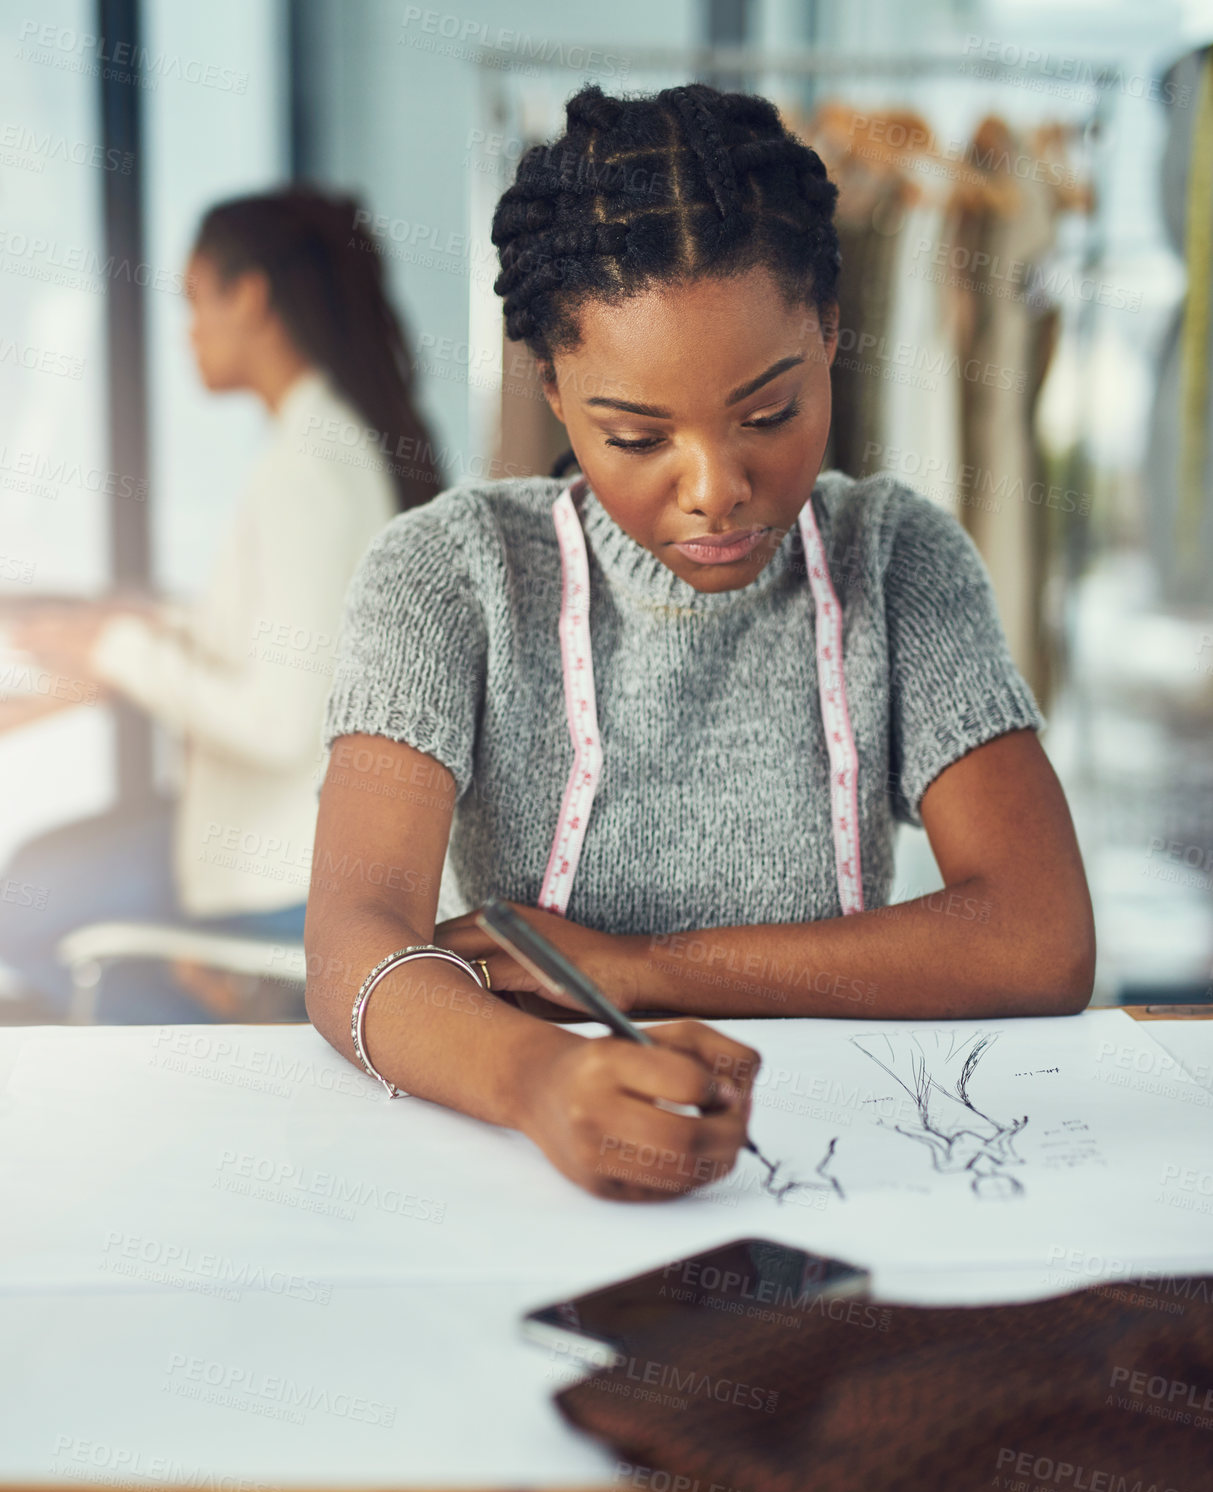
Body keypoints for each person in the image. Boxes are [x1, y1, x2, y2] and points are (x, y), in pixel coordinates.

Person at [304, 83, 1096, 1202]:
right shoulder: (452, 577)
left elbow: (1038, 935)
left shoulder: (895, 561)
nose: (716, 491)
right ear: (554, 391)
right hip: (526, 1144)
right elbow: (354, 937)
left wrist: (644, 968)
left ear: (828, 332)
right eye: (635, 436)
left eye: (768, 415)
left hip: (843, 1157)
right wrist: (536, 1076)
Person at [0, 186, 443, 1024]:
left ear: (251, 295)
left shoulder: (311, 467)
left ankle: (243, 1031)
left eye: (195, 301)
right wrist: (140, 632)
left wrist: (113, 654)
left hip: (280, 867)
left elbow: (281, 717)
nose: (188, 331)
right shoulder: (324, 444)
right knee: (37, 881)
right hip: (266, 838)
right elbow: (286, 640)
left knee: (25, 903)